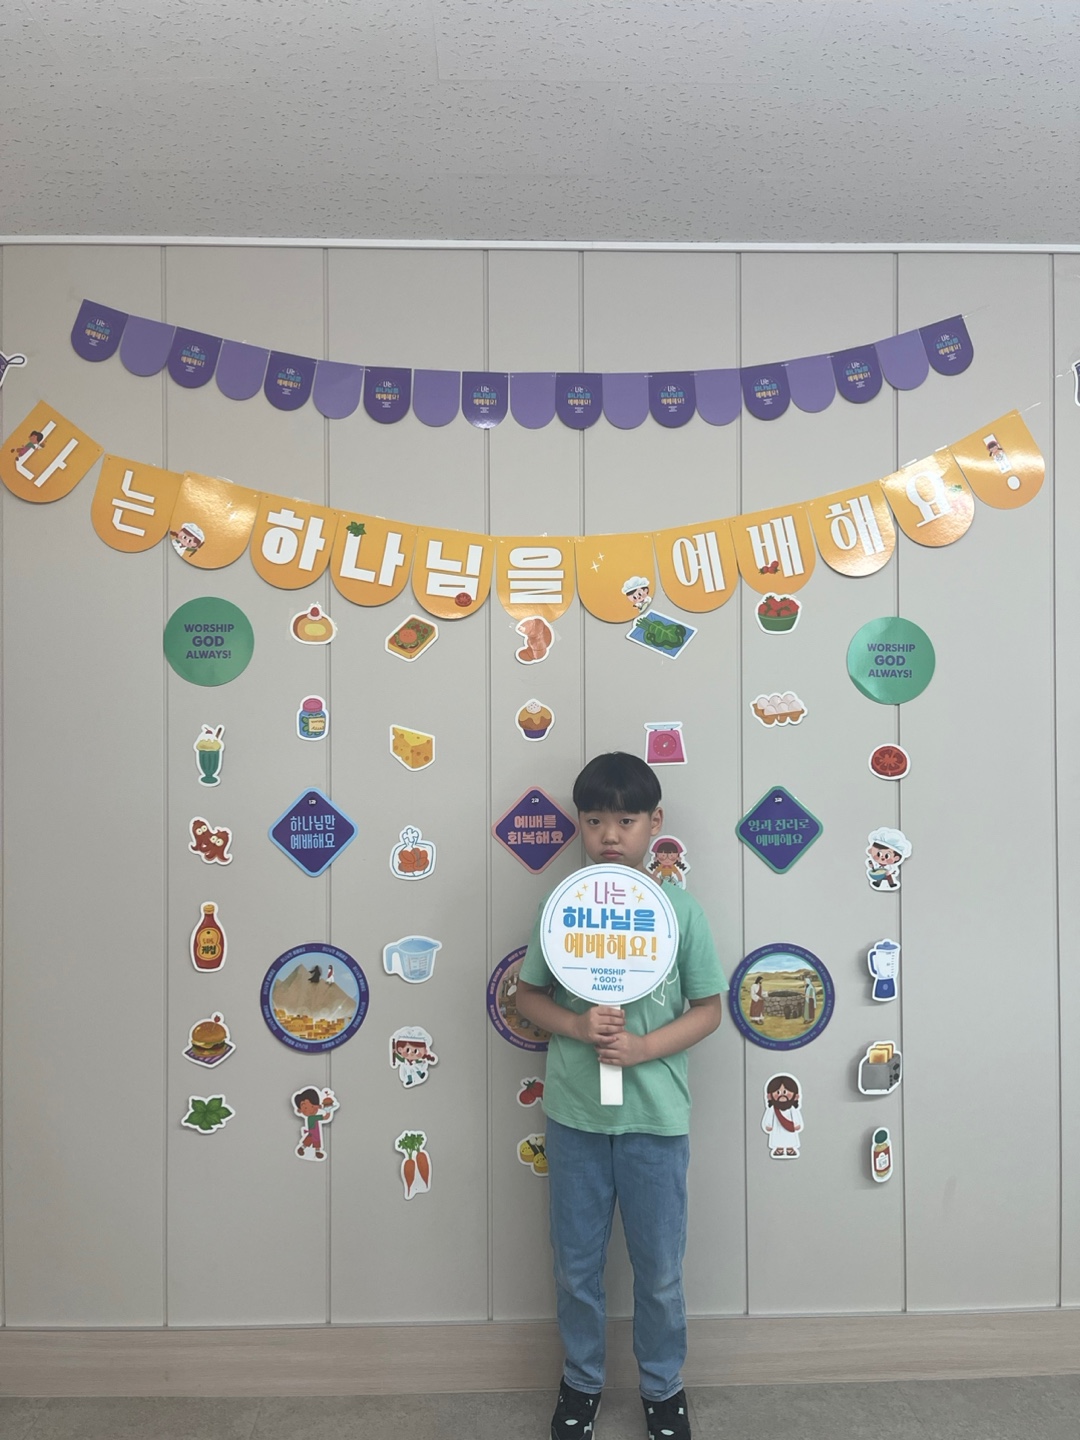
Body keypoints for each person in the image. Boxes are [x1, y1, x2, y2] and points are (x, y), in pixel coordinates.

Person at [515, 752, 726, 1440]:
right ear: (579, 823)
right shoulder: (561, 906)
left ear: (654, 823)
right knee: (576, 1266)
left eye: (627, 820)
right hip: (576, 1117)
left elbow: (708, 1009)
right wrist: (578, 1026)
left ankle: (663, 1387)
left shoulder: (681, 911)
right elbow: (527, 996)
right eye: (594, 820)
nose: (610, 834)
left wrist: (643, 1047)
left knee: (659, 1270)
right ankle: (581, 1382)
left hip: (655, 1122)